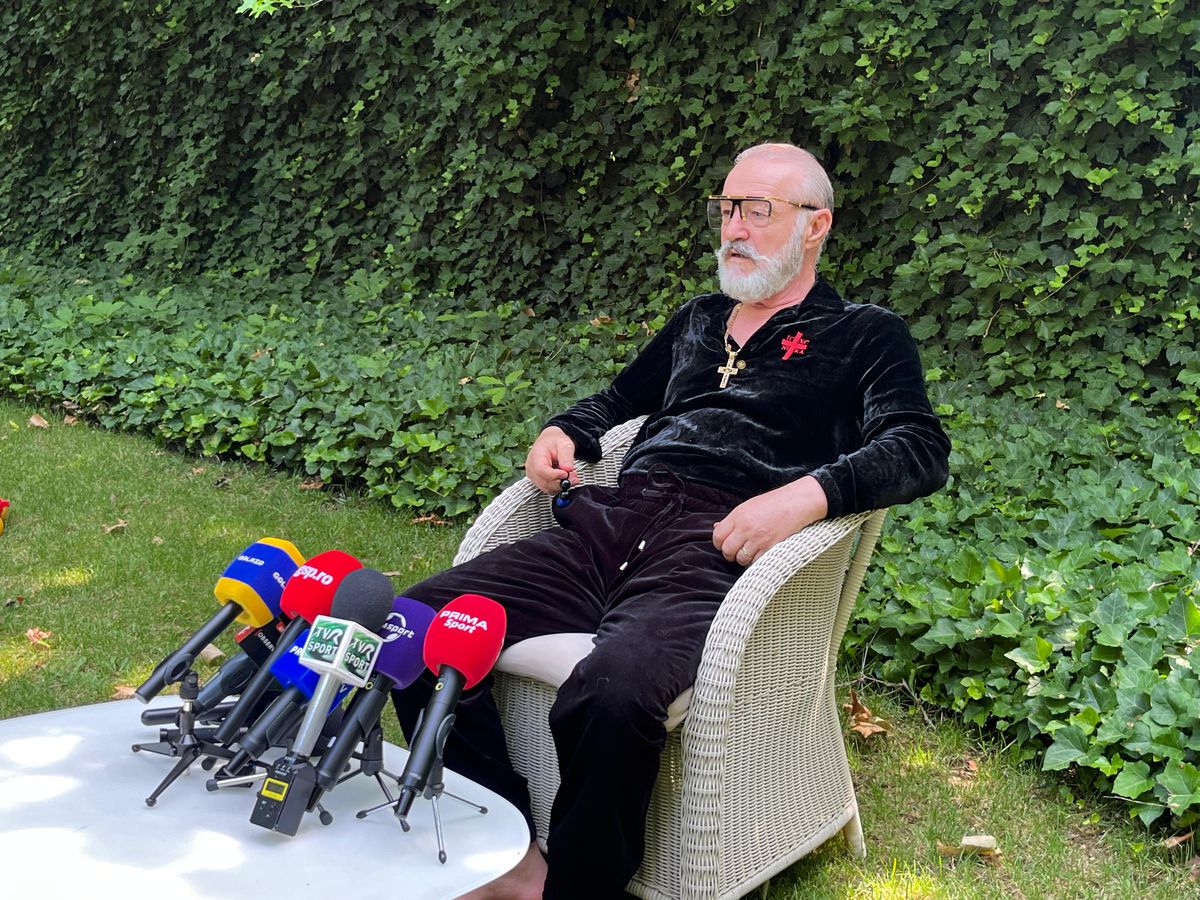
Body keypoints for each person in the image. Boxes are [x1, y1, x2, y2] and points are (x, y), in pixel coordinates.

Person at [392, 142, 951, 899]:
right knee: (414, 626)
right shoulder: (699, 319)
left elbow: (919, 447)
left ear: (815, 226)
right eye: (728, 207)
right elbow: (615, 403)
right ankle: (508, 851)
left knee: (614, 692)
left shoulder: (863, 334)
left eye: (758, 210)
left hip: (715, 547)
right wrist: (564, 431)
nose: (735, 227)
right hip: (607, 524)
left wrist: (804, 496)